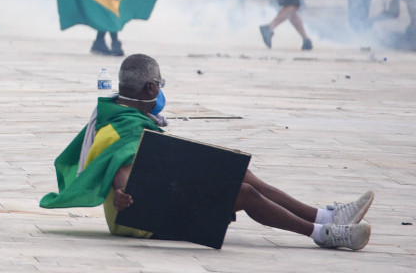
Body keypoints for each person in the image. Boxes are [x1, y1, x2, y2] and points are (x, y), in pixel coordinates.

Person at [40, 54, 373, 250]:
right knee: (243, 193)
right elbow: (122, 165)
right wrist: (121, 190)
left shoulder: (115, 111)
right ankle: (323, 234)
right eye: (160, 84)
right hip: (137, 217)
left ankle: (325, 215)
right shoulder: (126, 126)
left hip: (148, 197)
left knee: (236, 172)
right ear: (151, 88)